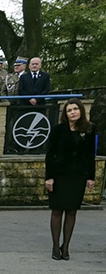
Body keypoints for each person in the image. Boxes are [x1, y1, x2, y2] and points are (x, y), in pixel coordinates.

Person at [45, 99, 96, 261]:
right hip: (59, 174)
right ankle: (55, 246)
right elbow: (50, 155)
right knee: (57, 210)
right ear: (65, 114)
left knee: (72, 211)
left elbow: (90, 155)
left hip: (78, 175)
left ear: (81, 110)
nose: (73, 112)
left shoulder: (89, 129)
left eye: (75, 109)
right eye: (69, 110)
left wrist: (90, 177)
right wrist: (49, 177)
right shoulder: (58, 130)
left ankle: (65, 246)